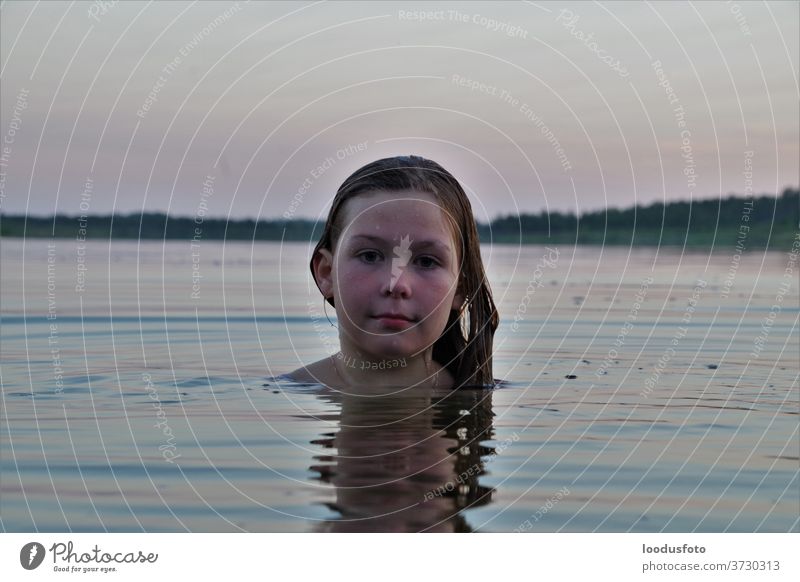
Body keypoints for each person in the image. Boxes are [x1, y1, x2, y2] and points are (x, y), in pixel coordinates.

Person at [287, 155, 498, 389]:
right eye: (370, 256)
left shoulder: (477, 397)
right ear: (327, 273)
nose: (396, 284)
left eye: (426, 262)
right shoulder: (282, 397)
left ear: (461, 287)